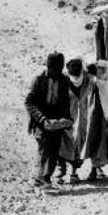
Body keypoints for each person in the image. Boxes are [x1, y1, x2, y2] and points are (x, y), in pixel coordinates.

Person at [24, 52, 73, 189]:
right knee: (43, 147)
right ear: (48, 67)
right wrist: (41, 119)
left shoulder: (64, 81)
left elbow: (65, 102)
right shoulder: (38, 80)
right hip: (41, 119)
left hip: (56, 121)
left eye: (59, 70)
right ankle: (38, 177)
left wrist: (66, 119)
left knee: (54, 149)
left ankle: (46, 178)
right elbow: (29, 103)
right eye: (54, 70)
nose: (56, 73)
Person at [59, 54, 108, 183]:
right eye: (73, 76)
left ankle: (95, 169)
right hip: (72, 118)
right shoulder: (64, 81)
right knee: (72, 142)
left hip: (89, 117)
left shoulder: (91, 80)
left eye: (78, 75)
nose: (76, 79)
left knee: (94, 140)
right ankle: (73, 172)